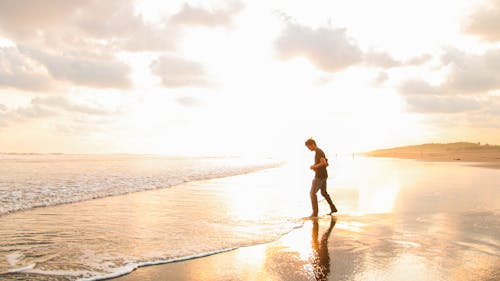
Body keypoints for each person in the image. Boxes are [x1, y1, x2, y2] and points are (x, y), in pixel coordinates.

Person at [305, 138, 337, 217]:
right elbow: (326, 164)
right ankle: (333, 208)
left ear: (312, 144)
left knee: (312, 193)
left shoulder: (319, 152)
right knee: (323, 193)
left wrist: (314, 166)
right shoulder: (319, 151)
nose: (308, 149)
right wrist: (316, 167)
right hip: (324, 175)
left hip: (319, 176)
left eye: (308, 147)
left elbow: (324, 163)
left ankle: (315, 213)